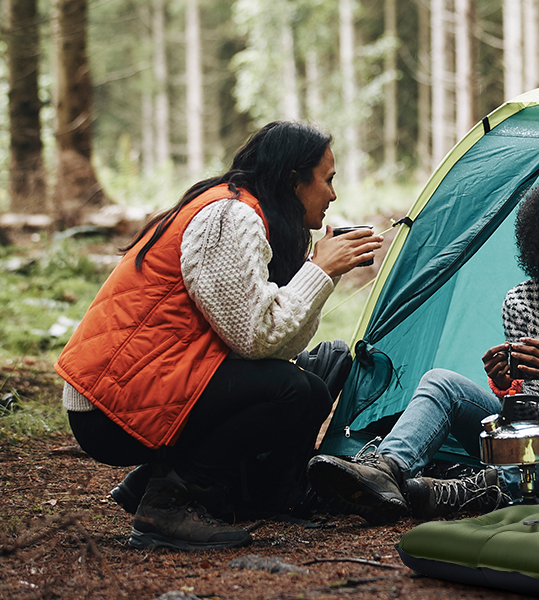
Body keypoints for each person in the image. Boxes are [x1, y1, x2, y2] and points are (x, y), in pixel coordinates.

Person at [56, 122, 384, 549]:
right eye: (328, 179)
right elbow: (257, 338)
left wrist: (322, 274)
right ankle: (168, 502)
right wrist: (319, 271)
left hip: (140, 386)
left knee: (309, 383)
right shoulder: (231, 216)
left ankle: (158, 483)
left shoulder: (246, 212)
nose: (333, 195)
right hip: (108, 404)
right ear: (293, 179)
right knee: (294, 391)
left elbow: (281, 345)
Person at [308, 159, 539, 520]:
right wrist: (506, 385)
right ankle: (386, 470)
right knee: (441, 382)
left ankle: (497, 486)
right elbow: (530, 409)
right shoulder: (523, 301)